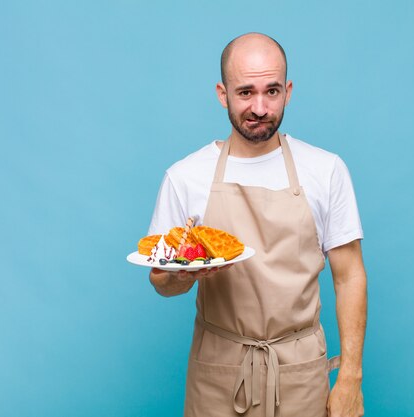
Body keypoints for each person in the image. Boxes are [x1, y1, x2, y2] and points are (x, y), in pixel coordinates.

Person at [147, 33, 367, 417]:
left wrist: (350, 378)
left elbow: (349, 277)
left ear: (289, 91)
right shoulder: (185, 176)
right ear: (222, 93)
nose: (260, 107)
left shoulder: (325, 170)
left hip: (299, 372)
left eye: (272, 91)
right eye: (245, 92)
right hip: (218, 370)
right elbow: (160, 279)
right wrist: (181, 277)